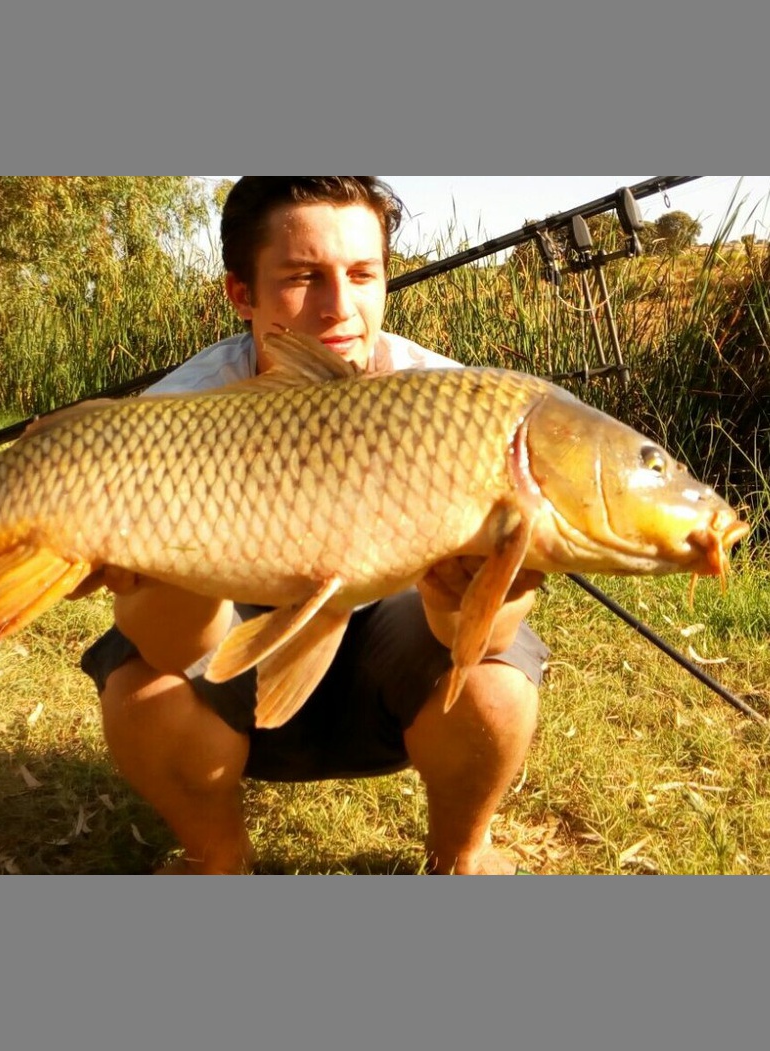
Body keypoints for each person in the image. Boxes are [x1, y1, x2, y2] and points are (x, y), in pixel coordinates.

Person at [81, 177, 549, 874]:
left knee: (495, 681)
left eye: (362, 274)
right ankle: (217, 860)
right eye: (303, 277)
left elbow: (485, 636)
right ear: (242, 294)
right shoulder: (174, 414)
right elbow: (170, 644)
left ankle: (462, 854)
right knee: (143, 691)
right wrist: (151, 569)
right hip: (236, 675)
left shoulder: (457, 406)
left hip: (389, 665)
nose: (340, 307)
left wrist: (474, 595)